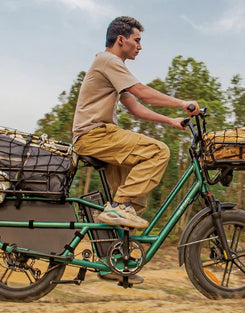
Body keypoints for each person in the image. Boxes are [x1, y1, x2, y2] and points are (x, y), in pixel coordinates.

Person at [73, 16, 198, 232]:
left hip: (99, 136)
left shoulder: (110, 66)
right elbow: (142, 93)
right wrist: (181, 103)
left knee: (136, 199)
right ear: (121, 39)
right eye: (137, 40)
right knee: (158, 151)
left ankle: (118, 251)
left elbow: (136, 108)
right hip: (94, 135)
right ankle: (118, 207)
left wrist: (170, 120)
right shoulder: (108, 60)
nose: (140, 47)